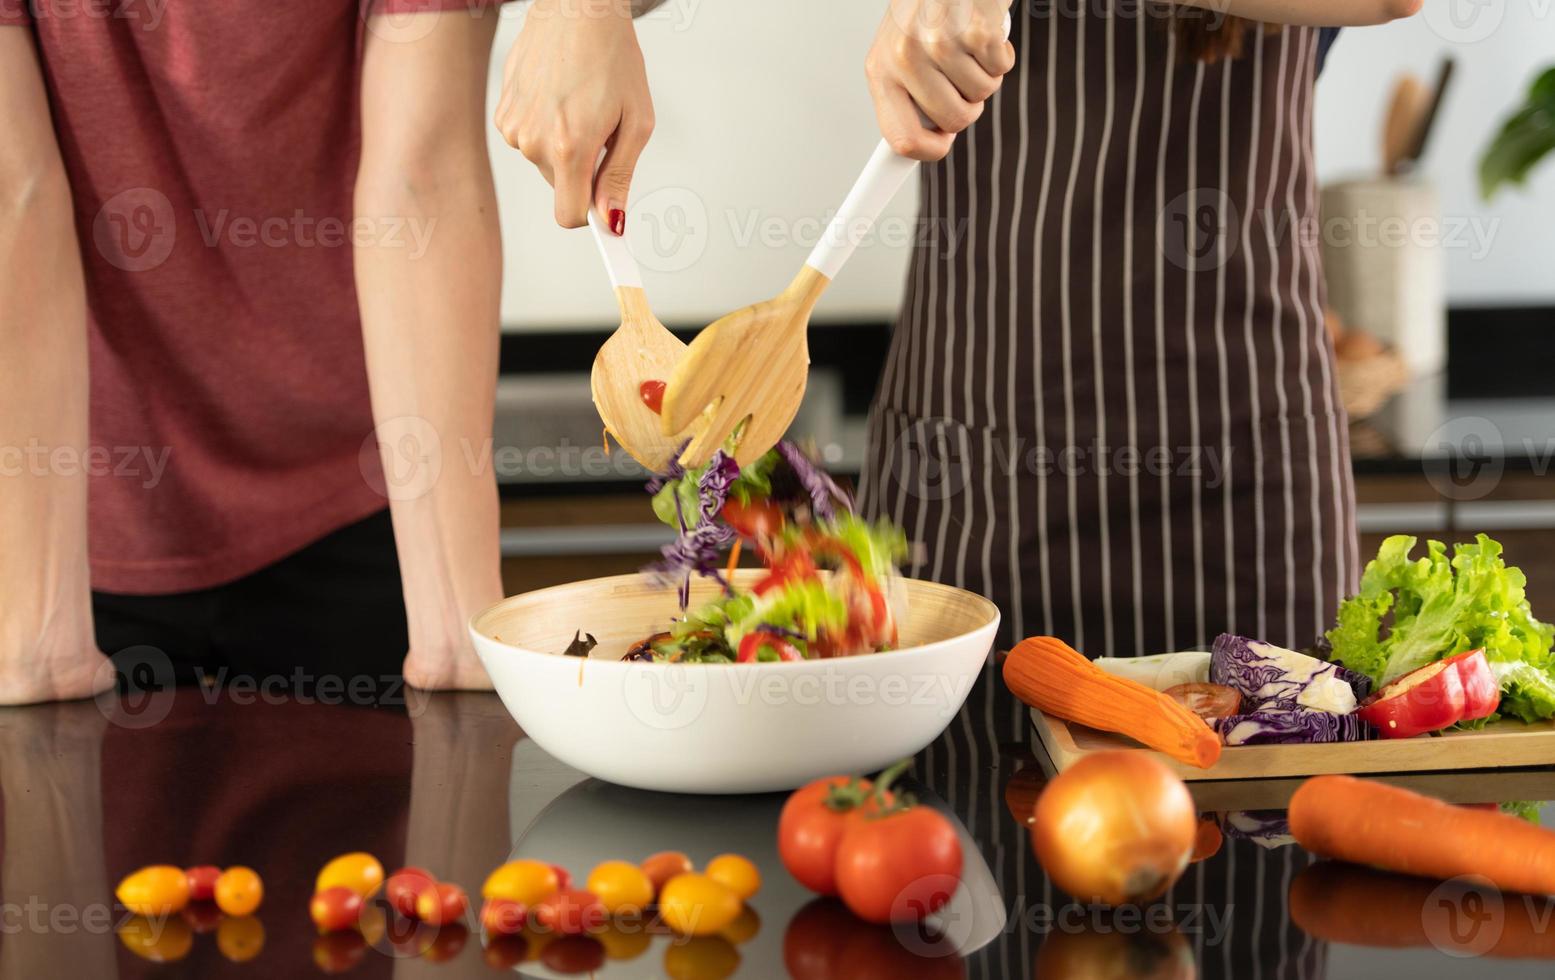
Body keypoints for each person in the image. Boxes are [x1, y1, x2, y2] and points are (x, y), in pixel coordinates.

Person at [0, 1, 529, 704]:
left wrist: (454, 633)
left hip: (357, 495)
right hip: (70, 517)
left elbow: (421, 183)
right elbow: (15, 194)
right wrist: (37, 633)